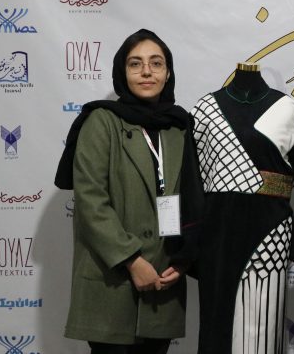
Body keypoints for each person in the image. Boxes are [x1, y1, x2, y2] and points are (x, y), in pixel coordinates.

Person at [55, 29, 196, 354]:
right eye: (136, 64)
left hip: (164, 281)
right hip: (113, 281)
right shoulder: (101, 121)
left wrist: (183, 260)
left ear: (168, 73)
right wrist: (132, 261)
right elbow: (91, 201)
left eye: (156, 63)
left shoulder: (179, 127)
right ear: (122, 72)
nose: (147, 71)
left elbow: (189, 201)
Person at [190, 63, 294, 354]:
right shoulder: (204, 109)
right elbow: (191, 182)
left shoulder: (288, 108)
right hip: (217, 237)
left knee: (263, 328)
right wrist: (188, 243)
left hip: (270, 236)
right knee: (216, 326)